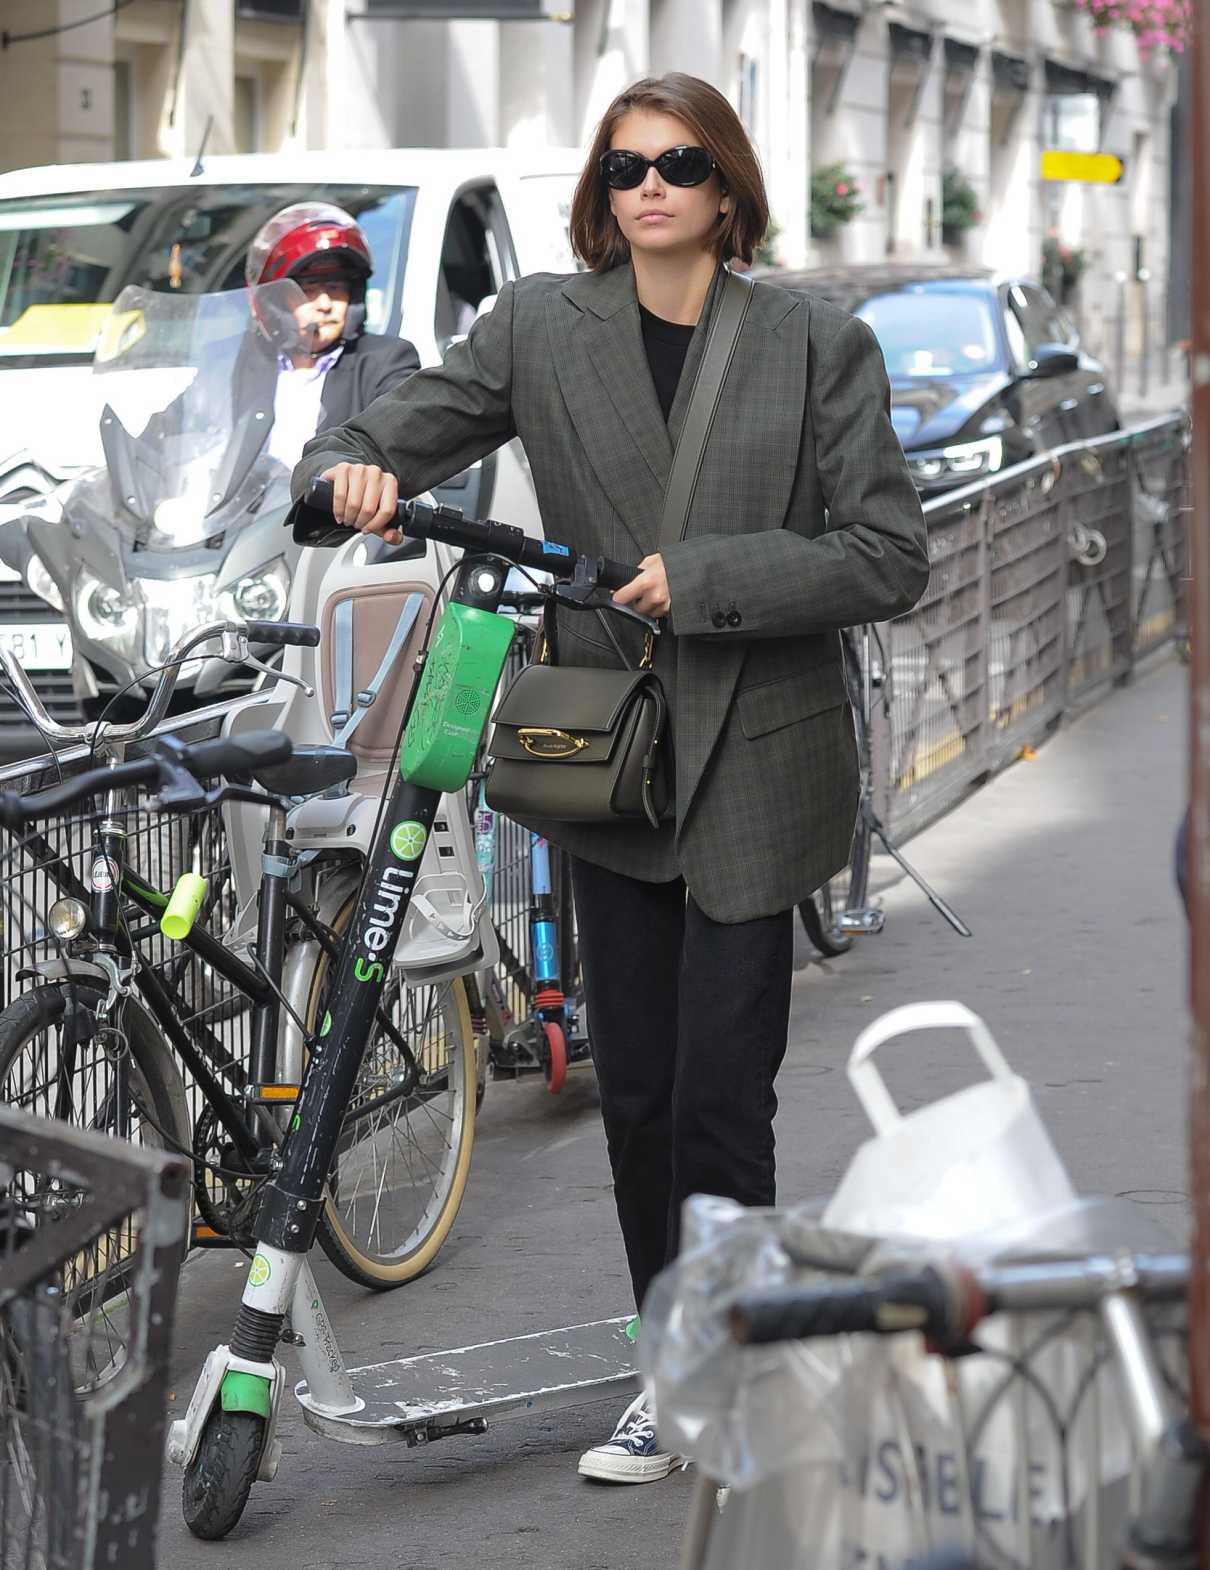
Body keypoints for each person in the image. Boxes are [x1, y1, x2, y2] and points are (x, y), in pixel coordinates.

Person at [290, 74, 929, 1485]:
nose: (652, 186)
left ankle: (731, 1366)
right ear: (602, 190)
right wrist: (348, 463)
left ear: (726, 189)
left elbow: (889, 554)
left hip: (757, 743)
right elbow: (407, 421)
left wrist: (703, 578)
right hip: (608, 755)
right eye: (628, 164)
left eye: (681, 163)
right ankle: (672, 1355)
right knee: (636, 1086)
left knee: (721, 1090)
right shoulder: (539, 325)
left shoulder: (815, 340)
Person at [240, 202, 420, 468]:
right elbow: (174, 436)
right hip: (244, 508)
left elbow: (402, 437)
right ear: (276, 301)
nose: (325, 303)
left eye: (336, 287)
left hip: (328, 508)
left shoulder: (386, 362)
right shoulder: (239, 363)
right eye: (309, 289)